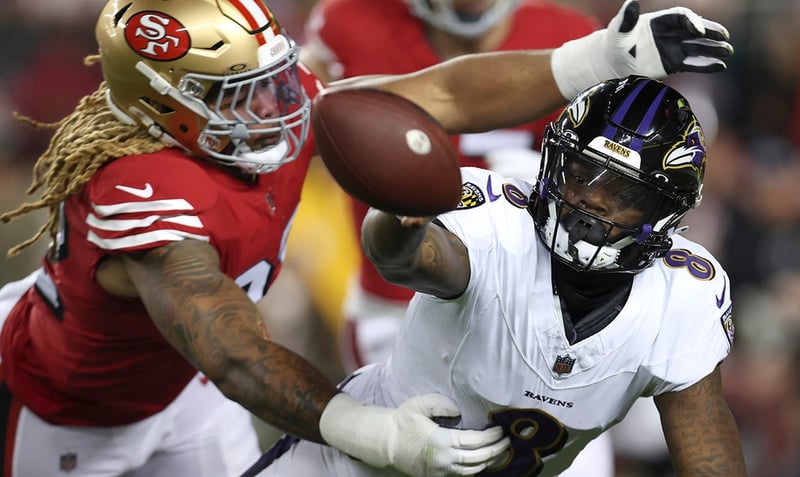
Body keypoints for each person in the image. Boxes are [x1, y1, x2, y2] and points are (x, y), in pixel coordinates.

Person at [0, 0, 733, 475]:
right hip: (76, 410)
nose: (278, 102)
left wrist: (602, 58)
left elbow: (442, 94)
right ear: (170, 108)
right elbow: (227, 344)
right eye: (239, 93)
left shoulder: (265, 124)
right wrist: (365, 428)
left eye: (273, 77)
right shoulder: (143, 184)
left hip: (186, 391)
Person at [254, 75, 748, 477]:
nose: (591, 198)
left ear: (663, 210)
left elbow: (705, 446)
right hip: (360, 462)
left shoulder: (683, 295)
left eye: (622, 191)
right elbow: (407, 258)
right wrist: (398, 218)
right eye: (581, 173)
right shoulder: (497, 219)